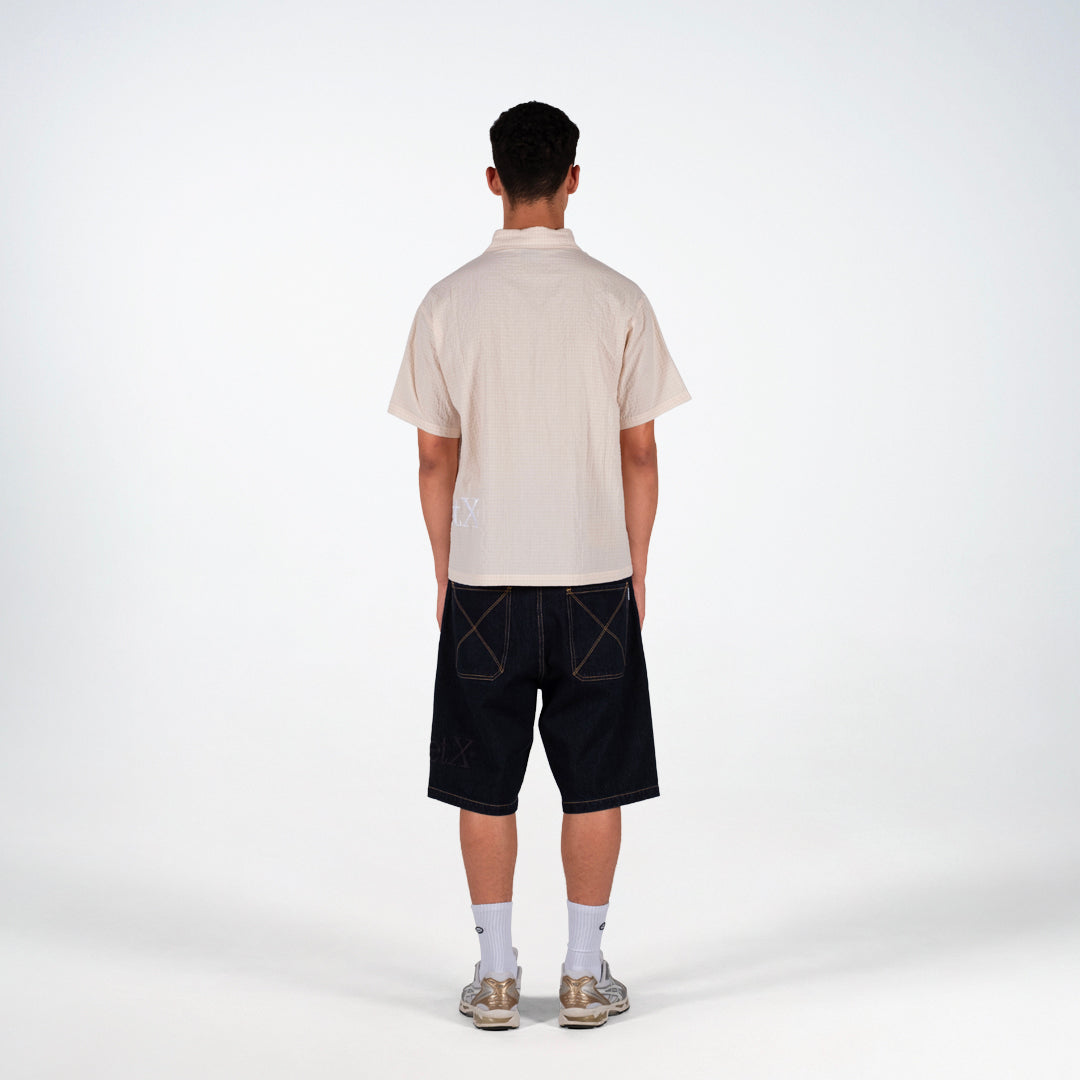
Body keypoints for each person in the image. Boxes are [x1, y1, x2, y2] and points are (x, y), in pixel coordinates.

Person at [387, 101, 690, 1030]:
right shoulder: (618, 299)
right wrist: (637, 569)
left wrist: (447, 569)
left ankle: (494, 977)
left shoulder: (448, 302)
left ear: (493, 180)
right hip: (594, 578)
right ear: (573, 178)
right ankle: (585, 977)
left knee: (486, 783)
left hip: (484, 583)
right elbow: (640, 451)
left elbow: (434, 457)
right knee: (595, 780)